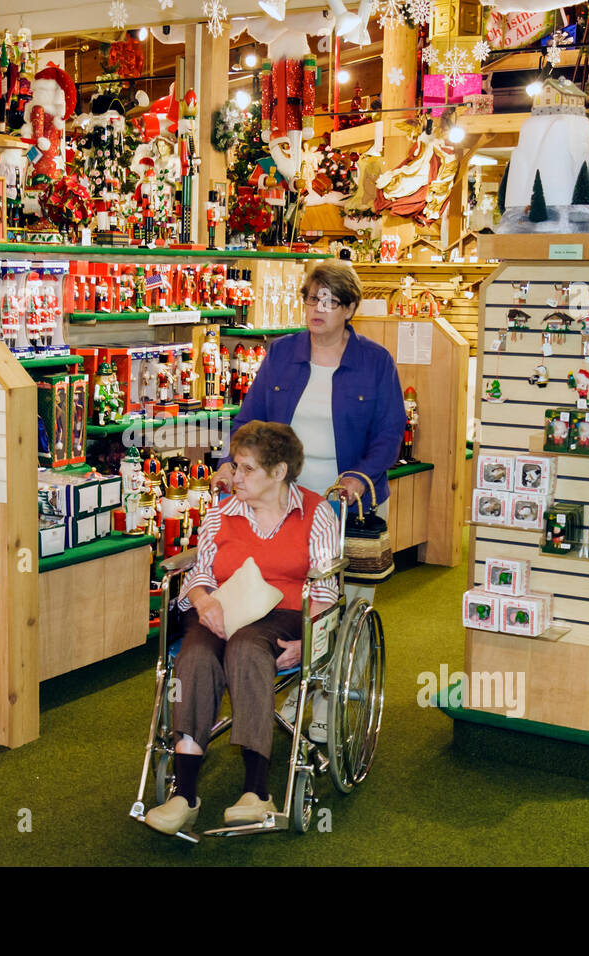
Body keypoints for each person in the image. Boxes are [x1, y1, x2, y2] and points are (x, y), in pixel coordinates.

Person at [212, 260, 404, 740]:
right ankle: (277, 670)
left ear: (350, 308)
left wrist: (359, 479)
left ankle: (322, 697)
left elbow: (389, 434)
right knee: (282, 586)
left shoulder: (375, 361)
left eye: (329, 301)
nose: (316, 309)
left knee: (338, 599)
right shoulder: (281, 354)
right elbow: (249, 419)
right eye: (310, 298)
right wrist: (230, 461)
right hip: (283, 502)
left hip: (345, 503)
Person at [144, 422, 340, 836]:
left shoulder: (316, 513)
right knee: (195, 656)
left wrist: (310, 640)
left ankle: (256, 790)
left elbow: (325, 589)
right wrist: (203, 601)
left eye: (247, 469)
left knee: (247, 649)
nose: (235, 476)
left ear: (279, 472)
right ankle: (186, 794)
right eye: (235, 466)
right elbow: (199, 573)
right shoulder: (221, 512)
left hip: (283, 614)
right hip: (221, 608)